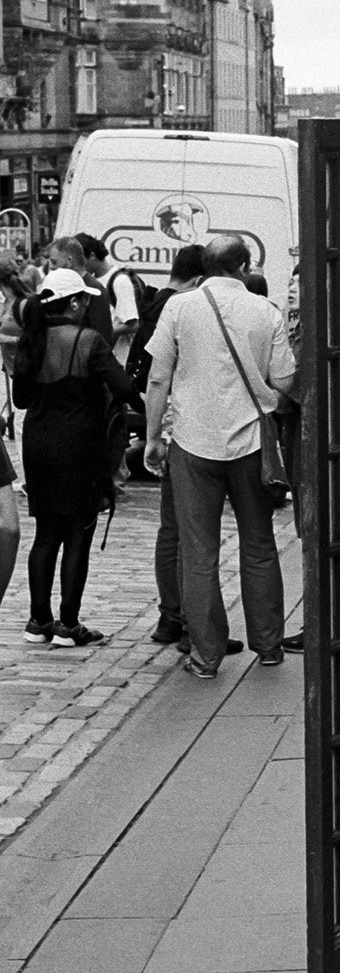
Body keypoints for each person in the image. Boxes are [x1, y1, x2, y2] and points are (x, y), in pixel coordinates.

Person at [144, 236, 295, 678]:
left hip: (192, 441)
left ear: (206, 267)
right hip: (251, 443)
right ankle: (269, 646)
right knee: (259, 544)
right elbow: (285, 379)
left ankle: (206, 657)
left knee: (198, 552)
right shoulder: (265, 312)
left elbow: (158, 379)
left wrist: (153, 437)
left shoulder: (179, 308)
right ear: (244, 266)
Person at [13, 268, 133, 647]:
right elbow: (124, 387)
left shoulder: (32, 339)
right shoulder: (88, 341)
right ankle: (68, 623)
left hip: (38, 442)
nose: (86, 306)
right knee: (78, 532)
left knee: (46, 533)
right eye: (84, 300)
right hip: (79, 444)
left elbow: (20, 400)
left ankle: (38, 621)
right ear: (76, 302)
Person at [76, 232, 140, 366]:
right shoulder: (91, 281)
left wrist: (100, 334)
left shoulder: (119, 280)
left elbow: (133, 324)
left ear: (92, 256)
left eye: (81, 261)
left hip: (120, 360)